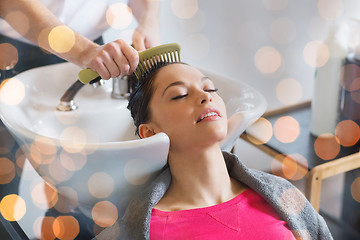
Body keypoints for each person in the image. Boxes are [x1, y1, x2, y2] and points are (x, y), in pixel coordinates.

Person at [94, 61, 333, 239]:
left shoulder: (281, 195)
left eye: (209, 88)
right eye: (180, 95)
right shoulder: (148, 229)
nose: (204, 96)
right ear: (150, 132)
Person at [0, 0, 160, 238]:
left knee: (76, 199)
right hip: (16, 49)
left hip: (94, 51)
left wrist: (149, 19)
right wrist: (84, 52)